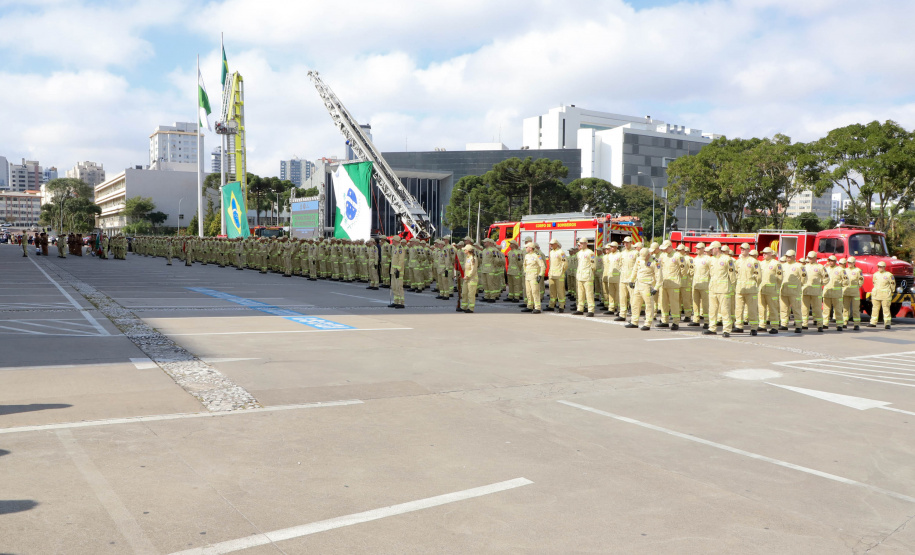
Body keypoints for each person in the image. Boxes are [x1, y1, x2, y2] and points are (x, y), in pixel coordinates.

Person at [703, 241, 735, 337]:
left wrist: (733, 287)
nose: (711, 251)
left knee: (725, 310)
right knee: (712, 310)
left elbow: (732, 275)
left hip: (724, 289)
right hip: (713, 289)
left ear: (717, 248)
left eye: (712, 249)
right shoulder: (711, 260)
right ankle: (712, 328)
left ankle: (726, 330)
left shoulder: (727, 259)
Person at [625, 247, 659, 331]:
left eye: (645, 257)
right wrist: (631, 280)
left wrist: (656, 288)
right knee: (635, 303)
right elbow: (635, 270)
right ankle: (634, 322)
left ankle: (647, 323)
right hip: (638, 284)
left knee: (649, 305)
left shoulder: (655, 262)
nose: (644, 259)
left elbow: (659, 276)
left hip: (647, 286)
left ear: (649, 254)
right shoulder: (639, 259)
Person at [733, 243, 760, 335]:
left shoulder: (753, 261)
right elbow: (735, 274)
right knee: (739, 309)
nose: (742, 250)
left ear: (749, 250)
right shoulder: (738, 262)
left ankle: (753, 328)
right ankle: (739, 326)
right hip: (740, 289)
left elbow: (758, 276)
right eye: (741, 249)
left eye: (744, 249)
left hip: (751, 289)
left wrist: (756, 285)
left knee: (752, 309)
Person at [657, 240, 683, 330]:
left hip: (674, 284)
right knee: (663, 303)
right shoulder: (663, 255)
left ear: (670, 247)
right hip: (664, 283)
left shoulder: (677, 256)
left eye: (665, 249)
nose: (664, 250)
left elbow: (683, 269)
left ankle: (676, 322)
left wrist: (679, 279)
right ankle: (664, 321)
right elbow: (658, 266)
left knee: (674, 304)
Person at [779, 250, 806, 333]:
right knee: (783, 309)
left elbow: (804, 278)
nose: (788, 258)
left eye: (790, 256)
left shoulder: (799, 266)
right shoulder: (782, 266)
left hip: (794, 292)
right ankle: (784, 324)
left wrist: (798, 286)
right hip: (784, 291)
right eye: (787, 256)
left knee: (796, 309)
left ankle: (798, 326)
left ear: (794, 256)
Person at [758, 247, 781, 333]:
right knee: (761, 308)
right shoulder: (761, 263)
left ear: (771, 254)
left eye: (766, 253)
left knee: (773, 309)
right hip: (762, 289)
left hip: (772, 290)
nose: (763, 255)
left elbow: (780, 278)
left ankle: (775, 326)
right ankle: (762, 325)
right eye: (763, 253)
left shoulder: (776, 264)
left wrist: (776, 288)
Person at [801, 251, 825, 332]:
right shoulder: (804, 267)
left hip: (816, 292)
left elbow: (826, 278)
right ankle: (804, 324)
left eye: (811, 258)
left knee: (817, 309)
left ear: (815, 258)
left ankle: (820, 325)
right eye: (809, 258)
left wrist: (821, 284)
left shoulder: (820, 267)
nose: (810, 259)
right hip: (805, 291)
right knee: (804, 308)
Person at [822, 255, 847, 331]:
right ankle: (825, 324)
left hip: (836, 293)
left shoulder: (841, 269)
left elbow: (846, 280)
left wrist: (840, 285)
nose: (830, 262)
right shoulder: (825, 269)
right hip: (827, 292)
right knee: (826, 309)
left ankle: (839, 324)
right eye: (829, 260)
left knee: (838, 309)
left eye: (832, 261)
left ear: (835, 262)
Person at [573, 237, 596, 316]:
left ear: (586, 243)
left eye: (582, 243)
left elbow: (593, 266)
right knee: (580, 294)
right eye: (580, 243)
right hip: (580, 276)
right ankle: (580, 309)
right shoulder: (579, 253)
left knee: (589, 294)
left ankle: (591, 310)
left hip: (587, 276)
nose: (580, 245)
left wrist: (589, 273)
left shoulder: (590, 253)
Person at [690, 243, 711, 328]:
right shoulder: (695, 259)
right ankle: (696, 320)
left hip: (705, 284)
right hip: (695, 284)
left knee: (705, 304)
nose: (697, 249)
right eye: (696, 248)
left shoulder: (708, 259)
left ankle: (707, 321)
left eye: (698, 248)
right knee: (695, 303)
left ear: (703, 249)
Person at [522, 242, 546, 314]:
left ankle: (537, 307)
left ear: (530, 248)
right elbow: (524, 265)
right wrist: (526, 272)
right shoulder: (526, 256)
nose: (525, 248)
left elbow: (542, 266)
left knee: (535, 292)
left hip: (534, 276)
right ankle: (530, 306)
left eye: (526, 247)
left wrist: (540, 275)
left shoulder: (537, 256)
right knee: (528, 292)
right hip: (528, 276)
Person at [869, 261, 894, 328]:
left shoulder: (889, 275)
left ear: (884, 267)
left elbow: (892, 284)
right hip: (876, 294)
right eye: (879, 267)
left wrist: (892, 291)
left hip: (885, 295)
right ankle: (873, 322)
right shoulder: (875, 274)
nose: (879, 268)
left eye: (881, 267)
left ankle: (887, 323)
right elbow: (874, 282)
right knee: (875, 309)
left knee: (886, 309)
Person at [546, 239, 568, 312]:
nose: (551, 245)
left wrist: (562, 271)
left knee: (560, 291)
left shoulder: (561, 252)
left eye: (552, 244)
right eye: (550, 244)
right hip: (552, 274)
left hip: (559, 275)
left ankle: (561, 306)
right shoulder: (551, 252)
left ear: (556, 244)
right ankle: (551, 305)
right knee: (552, 291)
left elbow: (565, 263)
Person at [843, 257, 863, 330]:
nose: (849, 264)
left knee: (855, 309)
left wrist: (857, 287)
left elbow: (861, 280)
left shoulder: (858, 270)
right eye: (848, 262)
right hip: (846, 291)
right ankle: (844, 322)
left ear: (854, 263)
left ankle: (856, 324)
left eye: (851, 262)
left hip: (855, 292)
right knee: (845, 308)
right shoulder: (845, 270)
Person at [602, 242, 621, 315]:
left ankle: (619, 309)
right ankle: (611, 308)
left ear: (616, 247)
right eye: (610, 247)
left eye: (612, 247)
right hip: (611, 278)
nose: (611, 248)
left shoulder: (619, 255)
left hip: (617, 278)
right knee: (611, 294)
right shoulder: (609, 256)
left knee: (618, 294)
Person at [389, 236, 406, 309]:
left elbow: (401, 260)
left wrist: (398, 270)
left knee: (399, 287)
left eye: (393, 240)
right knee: (394, 287)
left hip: (398, 271)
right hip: (393, 271)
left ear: (395, 241)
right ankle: (396, 301)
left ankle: (401, 303)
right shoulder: (395, 248)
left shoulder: (400, 249)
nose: (392, 241)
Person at [461, 244, 479, 313]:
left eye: (465, 249)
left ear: (468, 250)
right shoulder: (467, 258)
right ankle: (464, 307)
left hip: (472, 279)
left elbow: (473, 269)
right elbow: (466, 268)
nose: (464, 250)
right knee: (464, 293)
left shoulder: (473, 258)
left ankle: (471, 308)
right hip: (466, 279)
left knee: (471, 294)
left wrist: (468, 276)